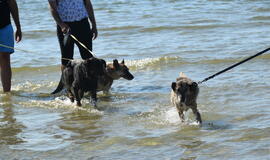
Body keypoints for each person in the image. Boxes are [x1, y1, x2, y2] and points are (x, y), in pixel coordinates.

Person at [48, 0, 98, 71]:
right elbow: (52, 8)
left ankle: (88, 80)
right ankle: (65, 81)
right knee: (66, 59)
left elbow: (88, 5)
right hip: (65, 26)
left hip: (83, 24)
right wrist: (61, 25)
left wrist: (94, 25)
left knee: (88, 58)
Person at [0, 0, 22, 93]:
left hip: (5, 26)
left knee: (5, 59)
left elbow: (12, 4)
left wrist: (18, 27)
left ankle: (7, 94)